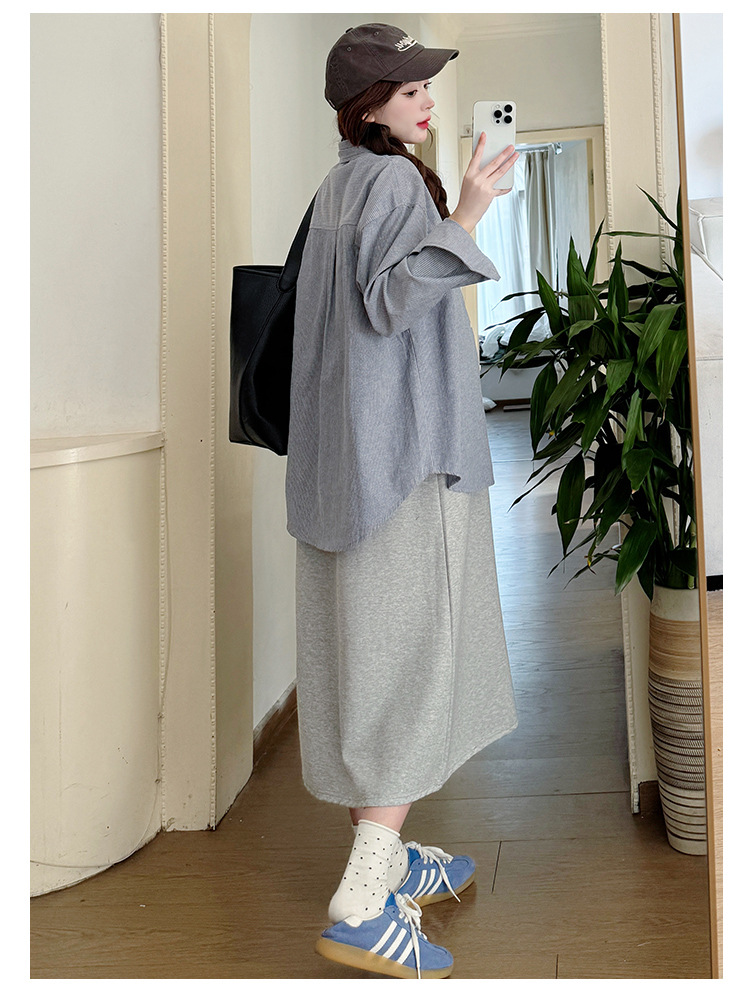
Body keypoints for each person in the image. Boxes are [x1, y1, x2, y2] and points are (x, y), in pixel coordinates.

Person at [285, 22, 519, 979]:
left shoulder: (337, 186)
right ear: (369, 104)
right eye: (409, 87)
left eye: (425, 85)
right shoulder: (388, 183)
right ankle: (363, 901)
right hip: (405, 462)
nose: (425, 99)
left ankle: (390, 861)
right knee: (413, 662)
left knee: (365, 661)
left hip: (345, 463)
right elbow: (390, 303)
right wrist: (468, 212)